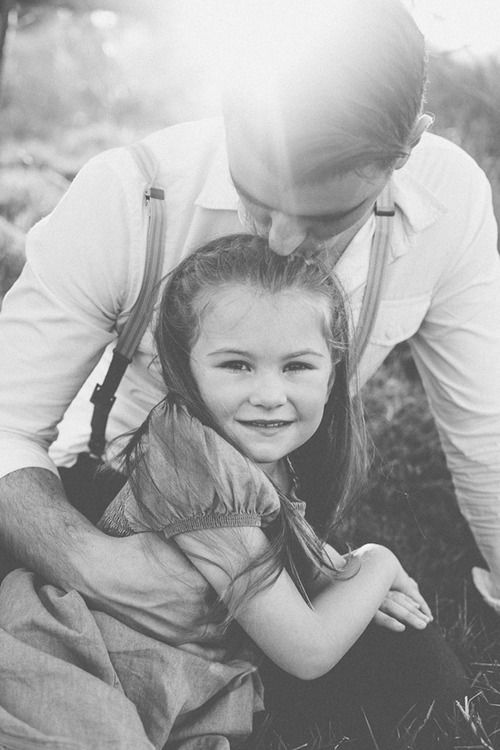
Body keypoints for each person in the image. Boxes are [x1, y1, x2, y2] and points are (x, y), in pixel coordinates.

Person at [0, 0, 499, 648]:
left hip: (275, 527)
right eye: (257, 201)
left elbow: (485, 425)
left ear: (406, 150)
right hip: (113, 492)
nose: (285, 244)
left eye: (325, 218)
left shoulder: (448, 200)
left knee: (421, 667)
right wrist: (96, 567)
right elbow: (6, 422)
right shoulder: (128, 194)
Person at [0, 235, 469, 748]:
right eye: (236, 365)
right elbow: (306, 650)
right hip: (73, 661)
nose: (269, 395)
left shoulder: (263, 460)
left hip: (167, 684)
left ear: (333, 376)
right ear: (183, 369)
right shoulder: (195, 459)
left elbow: (275, 556)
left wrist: (337, 572)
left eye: (297, 366)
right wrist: (378, 562)